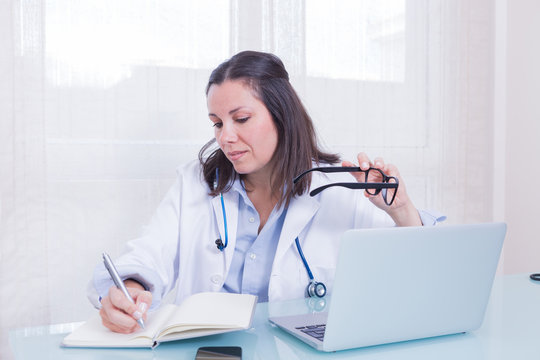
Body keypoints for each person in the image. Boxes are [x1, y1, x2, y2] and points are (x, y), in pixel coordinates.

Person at [88, 51, 444, 334]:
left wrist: (401, 210)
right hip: (208, 351)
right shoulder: (196, 184)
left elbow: (423, 279)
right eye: (217, 123)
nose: (225, 136)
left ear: (281, 115)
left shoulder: (341, 188)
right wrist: (131, 287)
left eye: (240, 119)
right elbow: (151, 251)